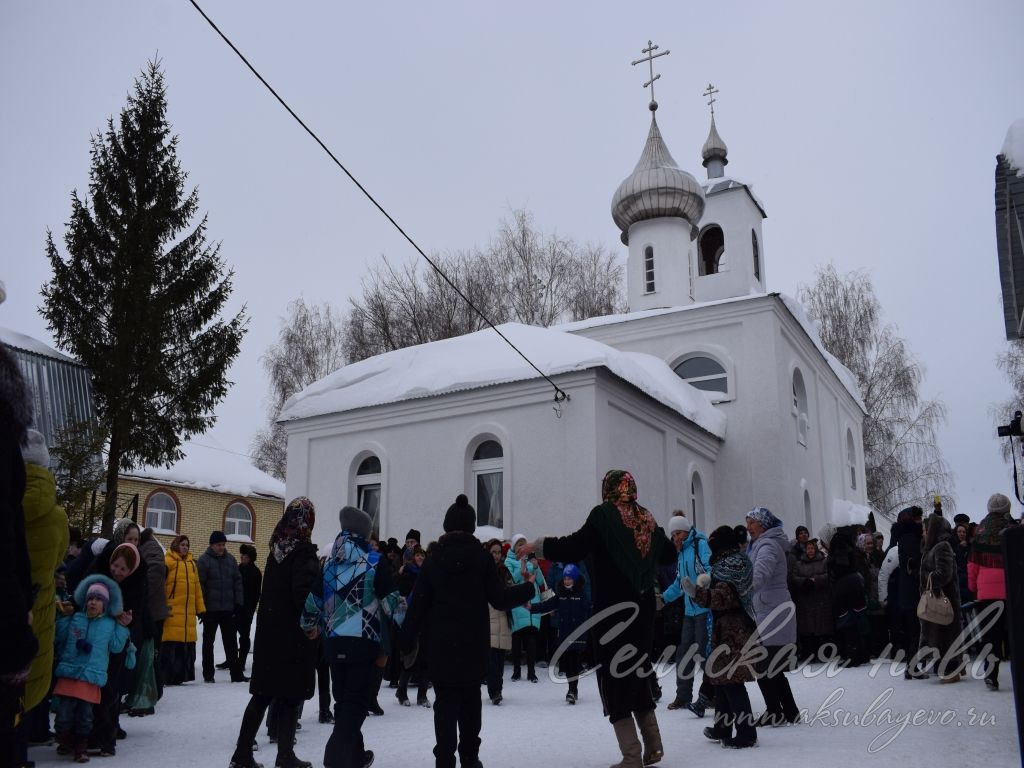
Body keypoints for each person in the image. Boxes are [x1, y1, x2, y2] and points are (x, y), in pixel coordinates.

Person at [531, 470, 676, 768]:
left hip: (613, 610)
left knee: (614, 676)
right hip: (644, 608)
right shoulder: (646, 518)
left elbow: (574, 546)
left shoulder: (604, 516)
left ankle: (631, 755)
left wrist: (539, 546)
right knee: (638, 669)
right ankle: (654, 747)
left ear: (607, 489)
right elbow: (670, 554)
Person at [401, 494, 535, 768]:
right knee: (471, 706)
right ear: (472, 526)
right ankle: (470, 759)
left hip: (441, 648)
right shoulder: (482, 558)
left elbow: (418, 604)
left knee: (445, 707)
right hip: (473, 647)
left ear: (447, 526)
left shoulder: (434, 558)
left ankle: (445, 760)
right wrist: (529, 587)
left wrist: (406, 638)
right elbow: (499, 598)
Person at [301, 506, 402, 768]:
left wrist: (308, 624)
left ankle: (356, 758)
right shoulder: (375, 562)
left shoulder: (329, 565)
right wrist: (409, 616)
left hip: (333, 644)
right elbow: (391, 604)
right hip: (363, 642)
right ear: (364, 535)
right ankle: (334, 758)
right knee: (356, 705)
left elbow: (313, 601)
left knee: (344, 702)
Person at [229, 497, 320, 768]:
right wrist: (311, 625)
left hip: (270, 633)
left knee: (263, 694)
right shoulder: (302, 551)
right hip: (292, 636)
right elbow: (303, 593)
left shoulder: (276, 548)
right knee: (290, 695)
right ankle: (285, 755)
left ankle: (242, 753)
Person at [683, 525, 760, 749]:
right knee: (722, 681)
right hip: (726, 627)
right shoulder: (727, 562)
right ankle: (722, 727)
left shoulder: (731, 564)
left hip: (734, 630)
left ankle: (747, 733)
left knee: (732, 682)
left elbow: (723, 598)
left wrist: (696, 593)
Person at [53, 575, 134, 762]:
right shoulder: (76, 618)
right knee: (63, 716)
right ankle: (65, 739)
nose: (93, 602)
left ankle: (80, 746)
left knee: (85, 716)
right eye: (90, 598)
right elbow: (61, 637)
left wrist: (122, 627)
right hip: (69, 674)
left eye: (98, 599)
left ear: (105, 605)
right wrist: (64, 617)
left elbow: (115, 646)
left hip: (91, 677)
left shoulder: (109, 624)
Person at [87, 540, 148, 756]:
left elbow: (138, 612)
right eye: (116, 566)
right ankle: (88, 735)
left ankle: (106, 738)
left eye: (124, 569)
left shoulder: (138, 580)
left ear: (131, 570)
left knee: (111, 688)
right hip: (94, 638)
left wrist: (128, 621)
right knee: (91, 686)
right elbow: (85, 595)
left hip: (116, 641)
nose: (118, 572)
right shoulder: (99, 570)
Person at [744, 507, 799, 727]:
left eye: (752, 522)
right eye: (747, 523)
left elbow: (759, 575)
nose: (748, 527)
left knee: (764, 666)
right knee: (771, 667)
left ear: (763, 524)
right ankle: (790, 711)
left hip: (771, 611)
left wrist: (741, 589)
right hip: (769, 609)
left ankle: (775, 712)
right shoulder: (762, 544)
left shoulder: (767, 545)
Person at [662, 514, 713, 717]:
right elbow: (679, 582)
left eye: (679, 533)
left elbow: (710, 570)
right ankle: (683, 696)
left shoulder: (700, 544)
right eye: (673, 534)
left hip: (704, 608)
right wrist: (663, 599)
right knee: (684, 653)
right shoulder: (681, 552)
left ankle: (711, 694)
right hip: (689, 610)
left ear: (687, 530)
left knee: (704, 653)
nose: (676, 537)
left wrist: (699, 586)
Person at [968, 493, 1015, 690]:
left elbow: (972, 565)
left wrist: (973, 588)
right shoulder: (1013, 530)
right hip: (1012, 589)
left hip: (986, 593)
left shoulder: (980, 531)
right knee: (1015, 635)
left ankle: (991, 675)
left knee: (992, 636)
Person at [530, 563, 591, 704]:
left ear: (575, 579)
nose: (567, 581)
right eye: (565, 578)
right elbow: (547, 604)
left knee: (574, 662)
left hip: (578, 633)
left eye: (570, 578)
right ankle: (572, 689)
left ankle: (572, 690)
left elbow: (589, 612)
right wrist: (531, 607)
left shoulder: (582, 595)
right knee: (568, 662)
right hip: (564, 632)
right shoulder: (561, 594)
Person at [918, 514, 963, 682]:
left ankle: (952, 670)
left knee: (946, 635)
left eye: (925, 529)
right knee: (940, 635)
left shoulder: (942, 546)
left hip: (944, 600)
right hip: (938, 599)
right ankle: (950, 667)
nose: (923, 533)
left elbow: (944, 574)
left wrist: (925, 577)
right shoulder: (932, 547)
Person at [197, 530, 245, 683]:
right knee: (208, 643)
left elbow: (237, 582)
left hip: (227, 609)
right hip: (210, 610)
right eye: (219, 545)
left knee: (231, 642)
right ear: (212, 545)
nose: (222, 547)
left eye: (223, 544)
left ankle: (236, 674)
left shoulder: (230, 560)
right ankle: (208, 674)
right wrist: (201, 608)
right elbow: (200, 586)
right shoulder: (203, 561)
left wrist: (238, 603)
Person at [160, 535, 205, 685]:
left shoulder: (192, 564)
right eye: (182, 544)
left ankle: (181, 676)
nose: (185, 547)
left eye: (187, 545)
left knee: (186, 644)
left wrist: (201, 609)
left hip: (188, 613)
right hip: (172, 610)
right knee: (172, 643)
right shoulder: (167, 562)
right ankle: (168, 676)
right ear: (176, 545)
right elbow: (161, 586)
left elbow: (197, 588)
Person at [504, 534, 545, 683]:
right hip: (517, 603)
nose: (522, 547)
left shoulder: (531, 559)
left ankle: (532, 672)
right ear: (514, 547)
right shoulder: (509, 561)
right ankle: (516, 671)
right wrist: (521, 569)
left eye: (524, 544)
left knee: (532, 640)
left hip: (532, 603)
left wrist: (535, 566)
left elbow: (540, 581)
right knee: (517, 640)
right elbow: (511, 580)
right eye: (519, 544)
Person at [893, 506, 927, 678]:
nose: (921, 521)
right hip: (912, 590)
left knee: (913, 630)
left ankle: (911, 666)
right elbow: (914, 564)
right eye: (919, 518)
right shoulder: (910, 538)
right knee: (915, 631)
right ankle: (912, 667)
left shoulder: (904, 537)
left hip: (908, 591)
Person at [395, 545, 430, 707]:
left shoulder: (429, 574)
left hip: (426, 620)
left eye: (422, 555)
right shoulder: (407, 573)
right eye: (417, 555)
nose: (420, 557)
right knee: (410, 658)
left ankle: (422, 695)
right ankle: (401, 691)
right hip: (410, 619)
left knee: (425, 658)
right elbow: (401, 594)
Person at [789, 539, 832, 660]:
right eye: (808, 548)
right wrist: (804, 582)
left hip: (821, 599)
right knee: (808, 629)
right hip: (805, 600)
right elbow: (794, 577)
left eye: (812, 548)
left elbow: (828, 575)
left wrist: (816, 580)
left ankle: (824, 653)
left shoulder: (823, 561)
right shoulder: (799, 563)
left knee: (822, 627)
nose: (810, 551)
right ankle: (809, 653)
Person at [235, 543, 262, 674]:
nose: (241, 557)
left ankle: (242, 661)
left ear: (250, 557)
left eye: (244, 555)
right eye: (241, 555)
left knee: (244, 636)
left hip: (246, 610)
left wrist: (249, 611)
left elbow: (255, 594)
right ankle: (232, 659)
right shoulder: (238, 568)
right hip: (235, 609)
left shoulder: (255, 573)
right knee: (231, 635)